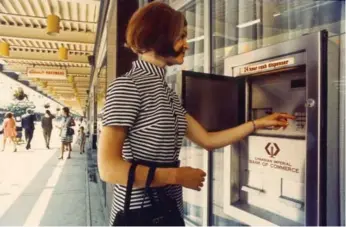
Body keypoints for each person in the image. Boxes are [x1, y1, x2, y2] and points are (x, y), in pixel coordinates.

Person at [97, 2, 295, 226]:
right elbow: (108, 168)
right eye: (181, 36)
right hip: (139, 213)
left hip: (168, 209)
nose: (186, 45)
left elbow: (208, 139)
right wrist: (176, 176)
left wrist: (258, 123)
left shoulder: (167, 94)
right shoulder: (127, 86)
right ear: (160, 36)